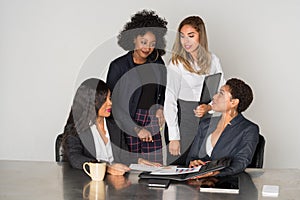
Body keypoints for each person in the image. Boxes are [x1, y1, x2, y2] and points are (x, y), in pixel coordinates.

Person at [62, 78, 161, 175]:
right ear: (91, 102)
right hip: (87, 184)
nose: (110, 103)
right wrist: (107, 168)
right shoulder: (75, 128)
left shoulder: (115, 125)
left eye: (109, 98)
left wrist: (139, 160)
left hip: (116, 182)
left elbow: (123, 155)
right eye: (104, 100)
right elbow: (75, 158)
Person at [106, 10, 168, 164]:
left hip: (152, 121)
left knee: (156, 168)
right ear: (134, 39)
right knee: (133, 170)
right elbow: (113, 105)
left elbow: (163, 92)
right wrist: (136, 129)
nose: (148, 48)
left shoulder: (158, 63)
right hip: (128, 123)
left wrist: (160, 107)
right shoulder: (118, 67)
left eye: (153, 44)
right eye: (144, 42)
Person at [164, 16, 224, 165]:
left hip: (206, 121)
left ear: (201, 36)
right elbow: (169, 100)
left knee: (203, 169)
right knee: (178, 169)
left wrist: (209, 107)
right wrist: (174, 137)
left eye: (191, 36)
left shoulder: (213, 61)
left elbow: (222, 93)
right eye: (182, 37)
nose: (186, 41)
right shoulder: (176, 63)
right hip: (182, 122)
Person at [187, 78, 259, 177]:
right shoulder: (205, 124)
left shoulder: (249, 129)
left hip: (227, 185)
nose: (214, 97)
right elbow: (191, 157)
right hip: (197, 184)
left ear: (233, 102)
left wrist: (215, 173)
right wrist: (193, 163)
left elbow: (241, 163)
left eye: (221, 94)